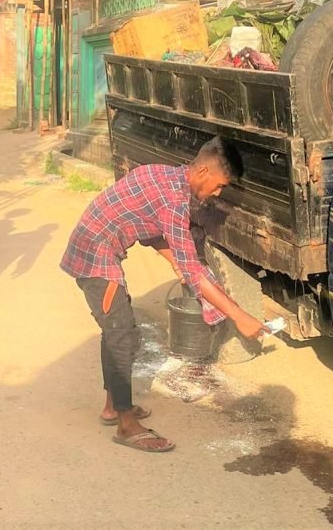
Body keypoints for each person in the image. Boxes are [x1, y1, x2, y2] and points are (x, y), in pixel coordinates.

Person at [60, 138, 267, 453]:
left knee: (116, 330)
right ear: (201, 172)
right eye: (219, 185)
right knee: (122, 335)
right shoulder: (174, 201)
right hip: (94, 257)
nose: (218, 193)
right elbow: (194, 270)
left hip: (94, 245)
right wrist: (239, 315)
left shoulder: (162, 174)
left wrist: (176, 262)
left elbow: (146, 228)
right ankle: (126, 425)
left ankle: (113, 407)